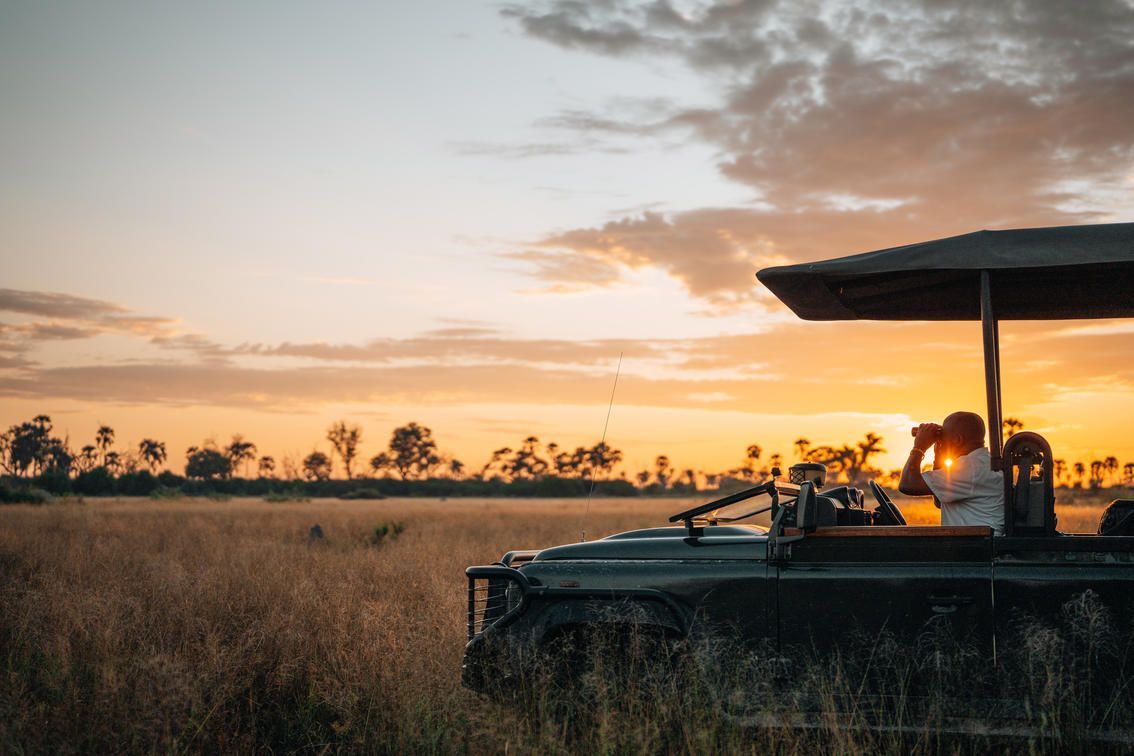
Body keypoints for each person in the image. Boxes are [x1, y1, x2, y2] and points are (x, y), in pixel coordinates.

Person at [898, 411, 1004, 535]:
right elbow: (940, 501)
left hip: (975, 548)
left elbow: (907, 484)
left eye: (944, 436)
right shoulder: (983, 462)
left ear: (958, 440)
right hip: (979, 543)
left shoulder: (969, 467)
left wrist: (919, 447)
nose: (941, 440)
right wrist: (938, 456)